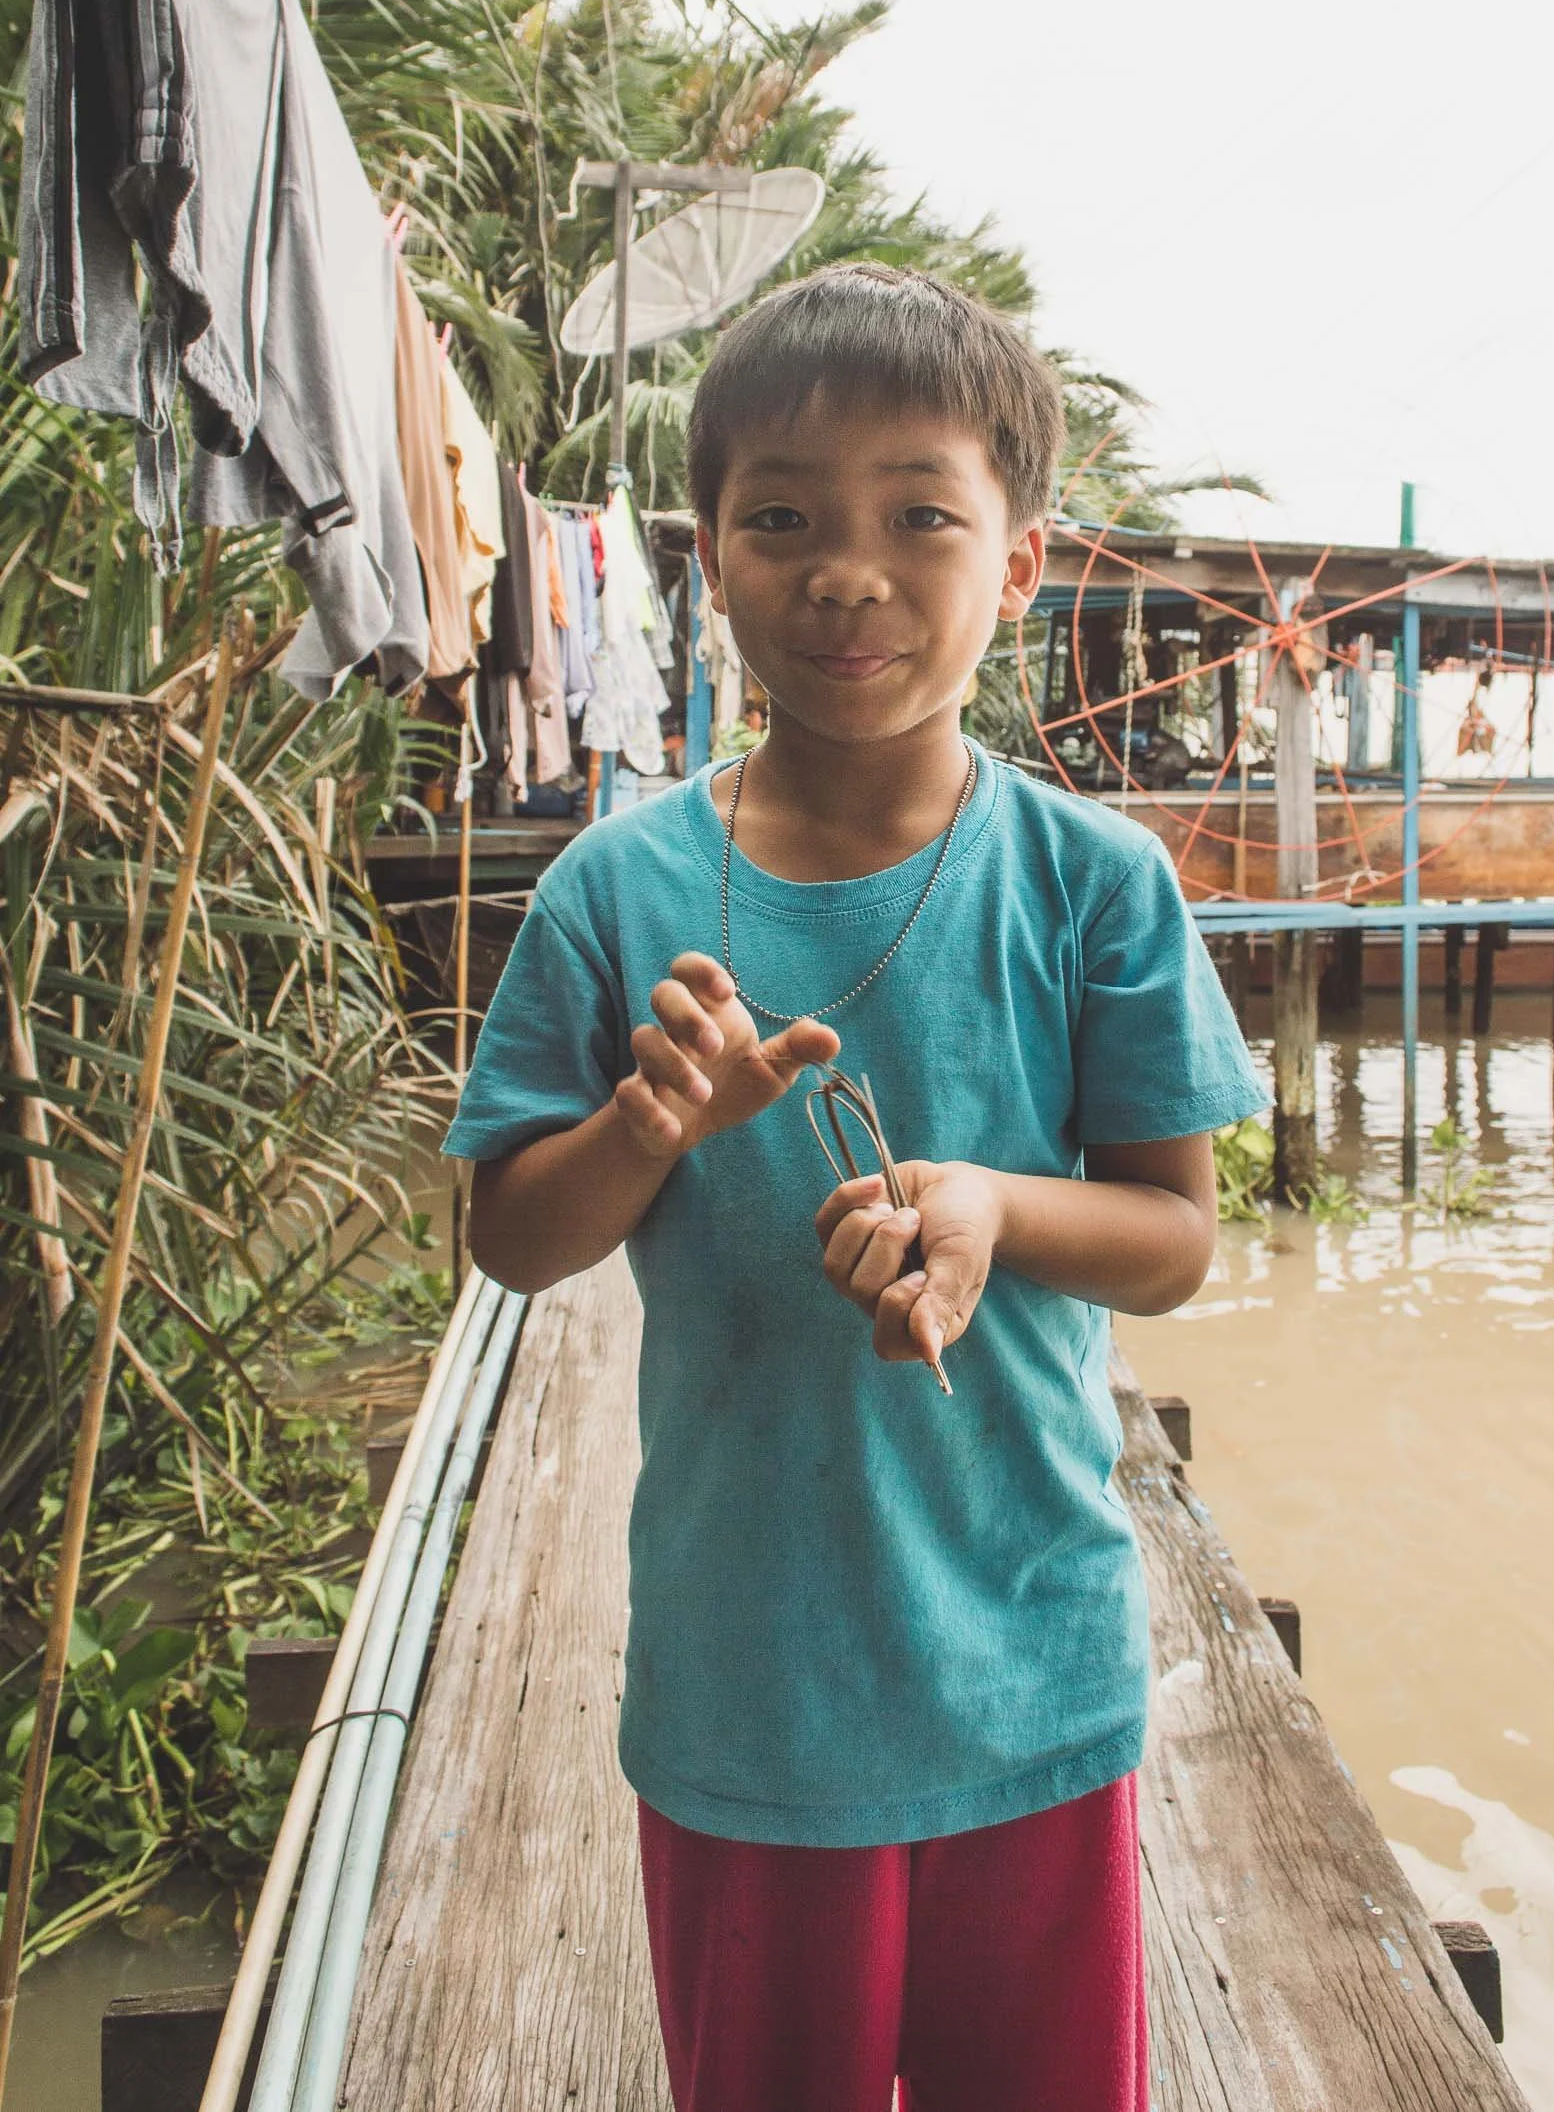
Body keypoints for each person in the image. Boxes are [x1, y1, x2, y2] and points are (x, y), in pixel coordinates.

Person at [445, 264, 1268, 2112]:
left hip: (1030, 1657)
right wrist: (644, 1131)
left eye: (920, 514)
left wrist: (987, 1202)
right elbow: (509, 1234)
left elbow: (1171, 1238)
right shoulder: (612, 890)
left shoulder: (1092, 882)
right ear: (709, 555)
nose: (846, 571)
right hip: (751, 1674)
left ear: (1023, 558)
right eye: (783, 519)